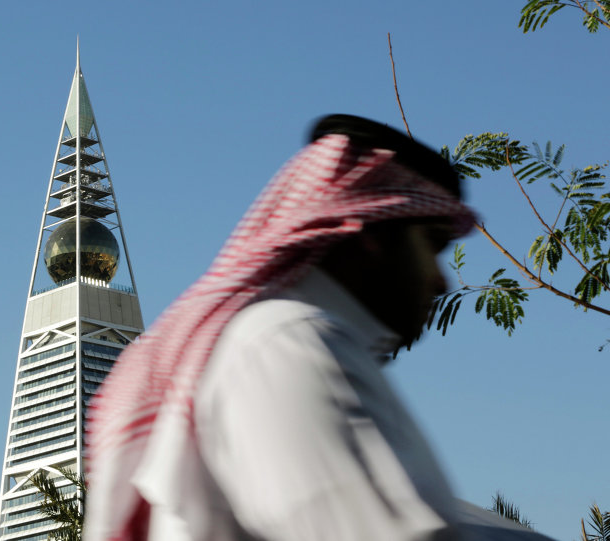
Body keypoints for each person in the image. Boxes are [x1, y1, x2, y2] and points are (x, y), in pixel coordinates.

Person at [83, 115, 552, 541]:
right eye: (429, 245)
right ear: (367, 233)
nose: (441, 279)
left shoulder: (281, 338)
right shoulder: (284, 340)